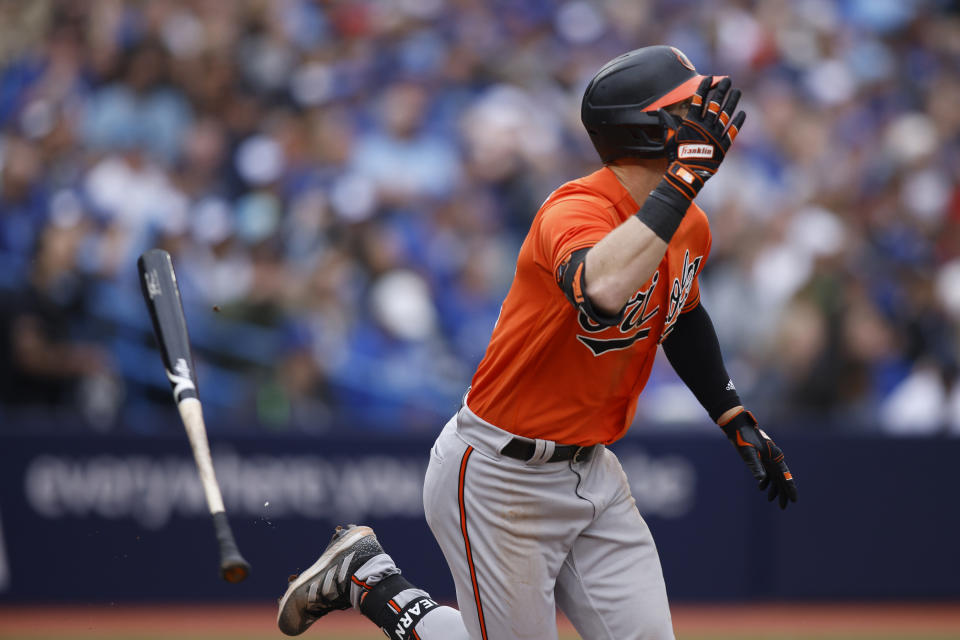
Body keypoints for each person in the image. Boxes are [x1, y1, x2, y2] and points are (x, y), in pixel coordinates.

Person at [276, 45, 797, 640]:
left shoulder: (690, 221)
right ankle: (374, 583)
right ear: (648, 131)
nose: (708, 118)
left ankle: (367, 576)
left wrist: (732, 414)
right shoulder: (573, 209)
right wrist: (684, 179)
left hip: (592, 470)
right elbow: (600, 288)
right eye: (687, 110)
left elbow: (681, 314)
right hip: (500, 473)